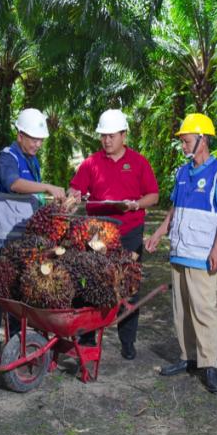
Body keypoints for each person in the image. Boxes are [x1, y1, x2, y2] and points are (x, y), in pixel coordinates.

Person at [144, 113, 217, 393]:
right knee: (181, 310)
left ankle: (209, 366)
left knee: (204, 310)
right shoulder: (183, 173)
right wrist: (160, 233)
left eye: (186, 141)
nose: (183, 146)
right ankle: (188, 358)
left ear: (202, 140)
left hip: (203, 255)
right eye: (182, 142)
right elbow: (175, 209)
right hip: (179, 252)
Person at [68, 109, 159, 360]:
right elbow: (76, 189)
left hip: (129, 232)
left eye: (111, 136)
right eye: (103, 136)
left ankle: (127, 341)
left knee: (128, 286)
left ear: (123, 135)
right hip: (97, 233)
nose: (106, 140)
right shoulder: (91, 163)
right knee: (90, 280)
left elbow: (153, 195)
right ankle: (86, 337)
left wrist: (136, 204)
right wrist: (72, 198)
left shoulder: (139, 162)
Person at [0, 109, 66, 362]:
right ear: (19, 134)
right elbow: (13, 184)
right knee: (0, 290)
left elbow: (33, 197)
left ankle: (16, 339)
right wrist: (48, 186)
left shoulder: (32, 160)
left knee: (22, 289)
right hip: (8, 235)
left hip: (27, 236)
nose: (37, 144)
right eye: (33, 138)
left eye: (41, 140)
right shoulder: (8, 157)